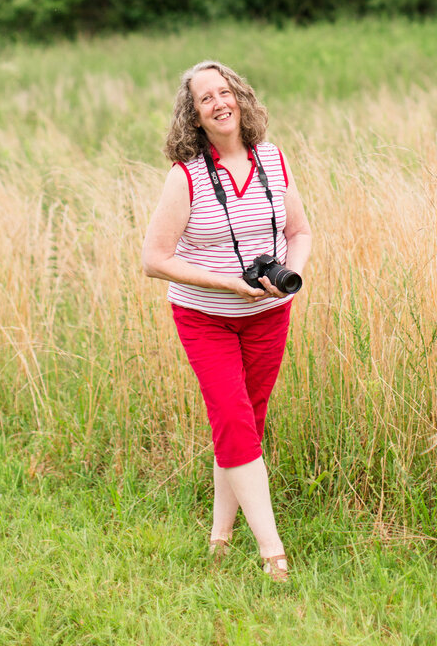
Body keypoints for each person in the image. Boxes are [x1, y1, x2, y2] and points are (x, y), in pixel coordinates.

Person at [141, 60, 311, 581]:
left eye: (225, 92)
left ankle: (219, 535)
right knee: (235, 420)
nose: (219, 103)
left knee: (245, 424)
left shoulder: (273, 160)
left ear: (240, 97)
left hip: (268, 315)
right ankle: (272, 553)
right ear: (193, 116)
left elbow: (302, 233)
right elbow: (154, 259)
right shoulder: (186, 177)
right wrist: (227, 284)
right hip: (205, 317)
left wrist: (289, 279)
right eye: (205, 99)